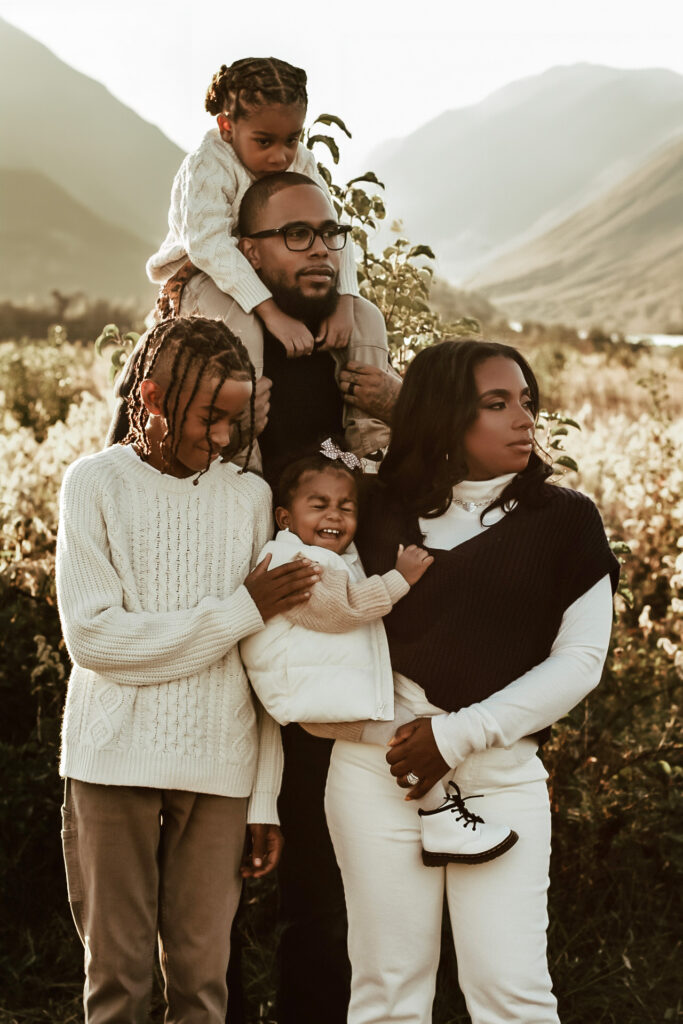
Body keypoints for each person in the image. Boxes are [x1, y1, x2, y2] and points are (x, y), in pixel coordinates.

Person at [325, 339, 621, 1024]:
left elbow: (579, 662)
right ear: (443, 416)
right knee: (387, 994)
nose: (523, 419)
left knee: (511, 995)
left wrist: (455, 736)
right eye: (497, 404)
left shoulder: (565, 520)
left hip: (499, 776)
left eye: (526, 401)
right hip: (377, 775)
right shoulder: (370, 513)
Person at [56, 316, 321, 1023]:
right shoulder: (94, 483)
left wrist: (263, 797)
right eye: (209, 417)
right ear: (149, 396)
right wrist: (239, 610)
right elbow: (95, 639)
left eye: (236, 420)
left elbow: (265, 664)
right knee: (117, 982)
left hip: (221, 768)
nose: (223, 439)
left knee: (204, 986)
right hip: (111, 763)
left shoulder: (250, 498)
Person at [241, 440, 518, 865]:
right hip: (320, 696)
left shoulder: (322, 555)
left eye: (346, 507)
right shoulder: (291, 560)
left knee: (408, 734)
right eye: (319, 506)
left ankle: (440, 812)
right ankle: (441, 818)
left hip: (327, 694)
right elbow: (342, 610)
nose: (334, 515)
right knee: (412, 735)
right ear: (285, 517)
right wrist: (400, 579)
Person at [112, 173, 392, 472]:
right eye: (296, 234)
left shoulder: (355, 336)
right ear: (251, 253)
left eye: (330, 233)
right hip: (238, 514)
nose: (321, 248)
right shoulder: (189, 347)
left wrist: (399, 406)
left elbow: (417, 468)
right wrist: (229, 432)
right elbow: (123, 467)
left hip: (341, 511)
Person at [147, 56, 360, 356]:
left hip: (270, 270)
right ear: (226, 127)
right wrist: (272, 314)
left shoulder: (301, 160)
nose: (280, 157)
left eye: (291, 139)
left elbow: (331, 228)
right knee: (240, 325)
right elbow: (209, 245)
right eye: (264, 142)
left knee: (365, 322)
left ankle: (363, 397)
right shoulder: (207, 166)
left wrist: (346, 300)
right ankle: (248, 395)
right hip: (202, 273)